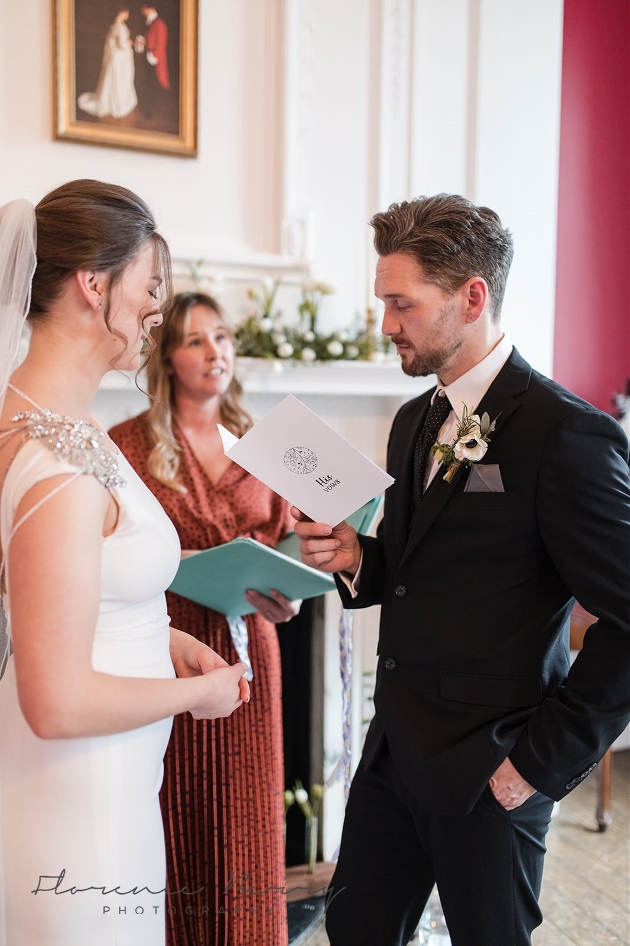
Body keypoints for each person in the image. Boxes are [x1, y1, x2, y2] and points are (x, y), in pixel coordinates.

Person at [293, 194, 630, 946]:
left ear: (472, 297)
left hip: (492, 772)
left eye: (401, 303)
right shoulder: (414, 421)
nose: (386, 325)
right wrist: (358, 560)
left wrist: (535, 769)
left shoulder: (566, 435)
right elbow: (420, 572)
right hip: (392, 759)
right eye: (384, 302)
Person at [0, 182, 249, 946]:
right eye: (149, 286)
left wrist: (160, 636)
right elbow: (58, 702)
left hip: (102, 791)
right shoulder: (59, 463)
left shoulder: (57, 421)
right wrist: (198, 692)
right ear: (93, 285)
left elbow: (63, 597)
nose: (155, 309)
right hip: (83, 810)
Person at [109, 291, 299, 946]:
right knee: (177, 813)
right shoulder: (127, 445)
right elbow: (108, 555)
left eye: (221, 336)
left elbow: (289, 549)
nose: (214, 350)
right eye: (194, 339)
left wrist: (288, 595)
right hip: (165, 650)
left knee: (247, 819)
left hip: (251, 650)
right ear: (166, 358)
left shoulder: (266, 445)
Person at [77, 9, 138, 119]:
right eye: (126, 12)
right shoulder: (119, 27)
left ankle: (111, 102)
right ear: (122, 13)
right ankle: (117, 104)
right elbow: (122, 45)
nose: (127, 14)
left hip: (116, 59)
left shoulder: (115, 25)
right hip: (120, 61)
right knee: (120, 81)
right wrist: (131, 42)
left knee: (114, 80)